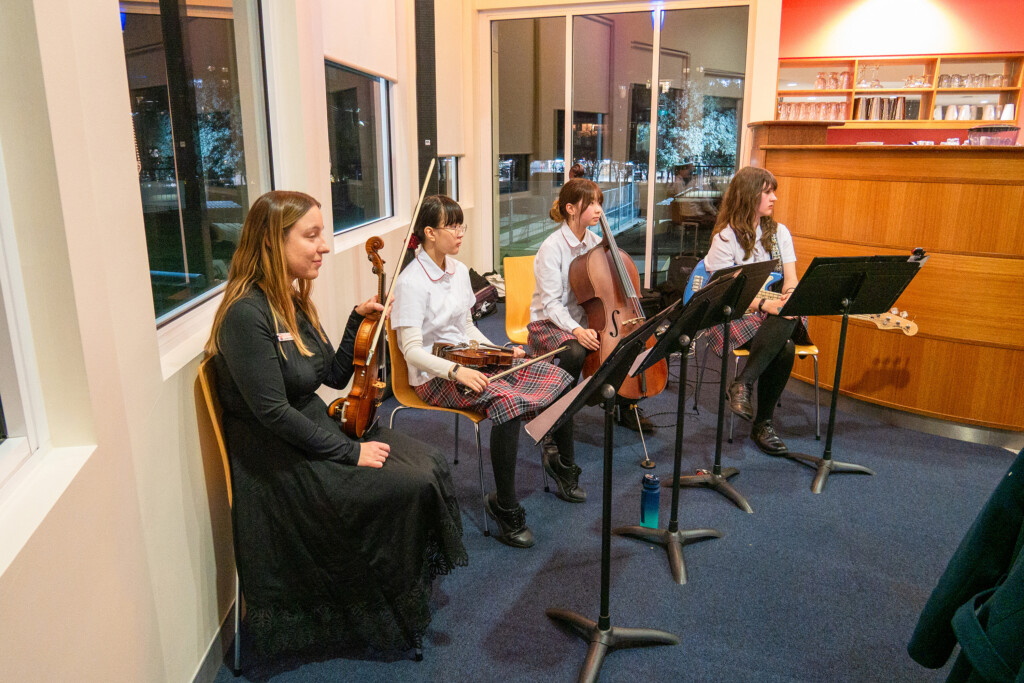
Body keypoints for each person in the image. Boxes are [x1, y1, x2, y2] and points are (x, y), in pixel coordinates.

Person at [205, 191, 466, 658]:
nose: (324, 245)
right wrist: (351, 452)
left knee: (428, 462)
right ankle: (373, 601)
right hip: (277, 461)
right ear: (272, 240)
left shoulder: (291, 299)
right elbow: (273, 413)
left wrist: (355, 322)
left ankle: (390, 596)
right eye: (312, 235)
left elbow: (331, 374)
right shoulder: (246, 314)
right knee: (407, 484)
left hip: (311, 432)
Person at [392, 195, 576, 549]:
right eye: (452, 226)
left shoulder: (459, 271)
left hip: (469, 360)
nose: (460, 233)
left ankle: (562, 465)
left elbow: (467, 328)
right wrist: (456, 371)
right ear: (430, 233)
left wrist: (500, 353)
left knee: (554, 376)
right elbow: (411, 351)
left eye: (461, 225)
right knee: (507, 403)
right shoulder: (410, 282)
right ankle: (504, 506)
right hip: (435, 376)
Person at [529, 179, 656, 434]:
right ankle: (555, 419)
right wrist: (576, 330)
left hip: (589, 319)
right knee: (575, 352)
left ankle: (626, 405)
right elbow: (551, 304)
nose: (599, 209)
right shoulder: (551, 249)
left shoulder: (597, 244)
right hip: (550, 322)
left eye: (600, 202)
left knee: (628, 340)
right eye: (591, 203)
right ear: (570, 209)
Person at [702, 166, 810, 456]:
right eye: (767, 192)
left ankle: (743, 383)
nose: (774, 198)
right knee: (785, 346)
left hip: (773, 315)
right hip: (736, 315)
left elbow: (791, 278)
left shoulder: (779, 233)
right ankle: (763, 424)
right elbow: (726, 292)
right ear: (749, 195)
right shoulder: (725, 239)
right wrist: (765, 305)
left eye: (774, 192)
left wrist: (789, 294)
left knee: (789, 312)